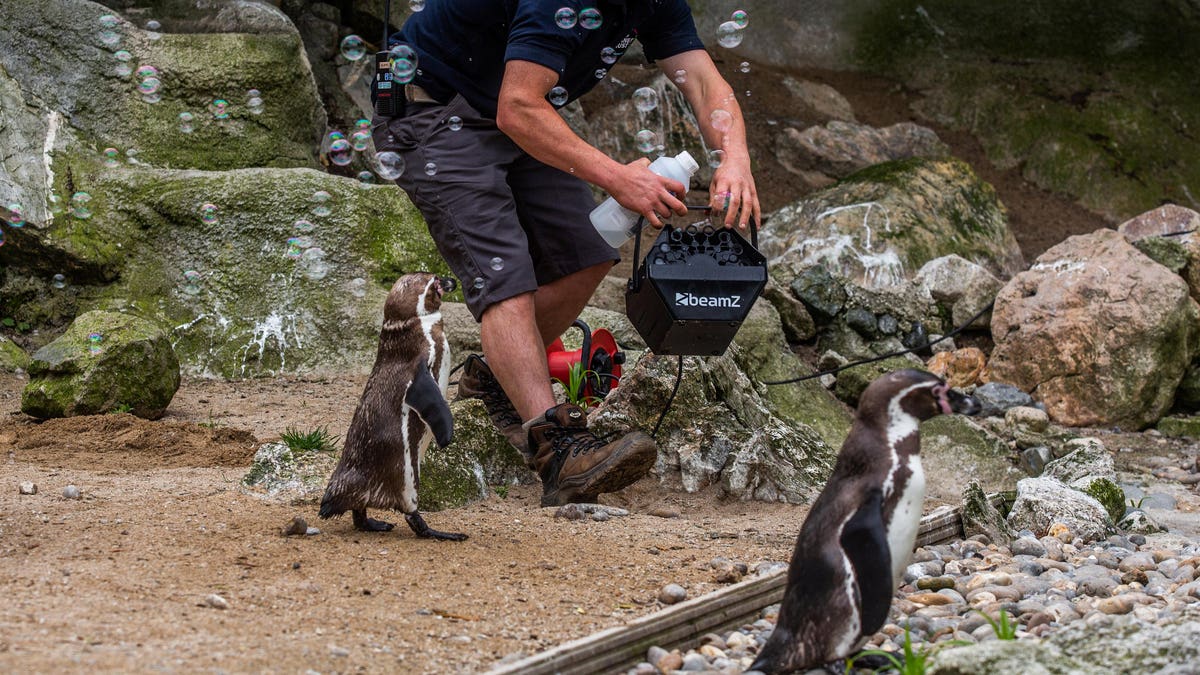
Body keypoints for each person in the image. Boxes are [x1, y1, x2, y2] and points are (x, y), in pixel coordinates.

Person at [372, 0, 760, 507]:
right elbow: (518, 105)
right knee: (504, 272)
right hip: (434, 107)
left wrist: (735, 158)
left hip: (509, 110)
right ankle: (558, 451)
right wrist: (621, 178)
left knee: (590, 247)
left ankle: (495, 378)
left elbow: (706, 84)